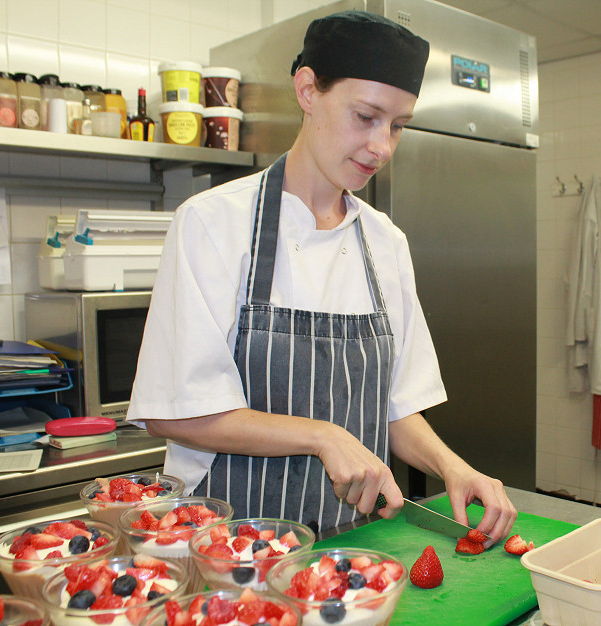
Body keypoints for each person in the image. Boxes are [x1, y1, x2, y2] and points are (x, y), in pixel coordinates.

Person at [127, 10, 516, 545]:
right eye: (366, 116)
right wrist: (322, 436)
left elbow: (396, 408)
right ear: (308, 90)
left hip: (353, 546)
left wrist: (453, 466)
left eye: (398, 125)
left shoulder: (385, 242)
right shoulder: (212, 224)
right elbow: (174, 413)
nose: (382, 146)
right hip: (232, 548)